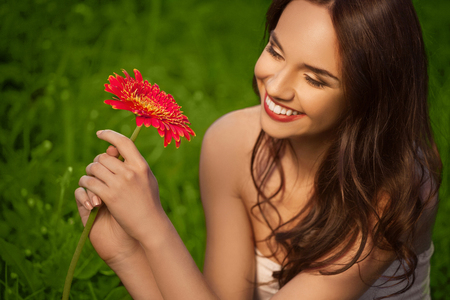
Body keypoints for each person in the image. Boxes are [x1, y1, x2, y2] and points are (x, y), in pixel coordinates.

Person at [75, 0, 442, 299]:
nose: (277, 86)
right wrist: (126, 254)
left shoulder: (395, 191)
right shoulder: (232, 143)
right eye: (275, 51)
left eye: (314, 78)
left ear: (369, 99)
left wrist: (153, 228)